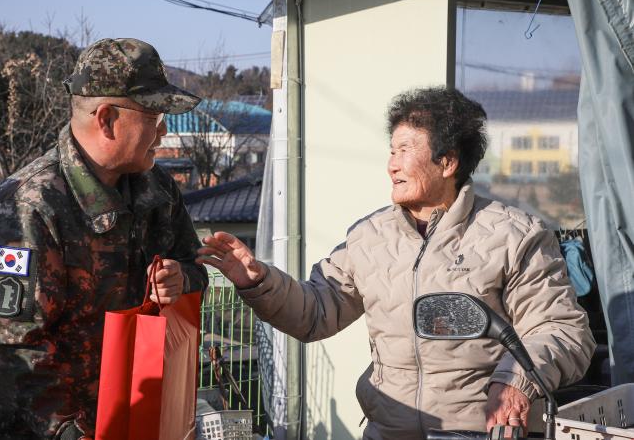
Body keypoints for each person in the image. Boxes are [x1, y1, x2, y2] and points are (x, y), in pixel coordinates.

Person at [193, 87, 596, 439]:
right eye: (391, 150)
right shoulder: (368, 237)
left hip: (480, 433)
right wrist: (258, 281)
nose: (392, 164)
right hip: (387, 431)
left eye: (405, 150)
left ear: (448, 162)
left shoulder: (515, 235)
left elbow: (562, 329)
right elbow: (315, 312)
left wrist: (514, 382)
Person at [0, 38, 208, 439]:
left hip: (137, 419)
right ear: (107, 118)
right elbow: (13, 353)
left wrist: (181, 278)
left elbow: (195, 268)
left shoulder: (157, 190)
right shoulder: (32, 203)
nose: (164, 132)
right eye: (154, 115)